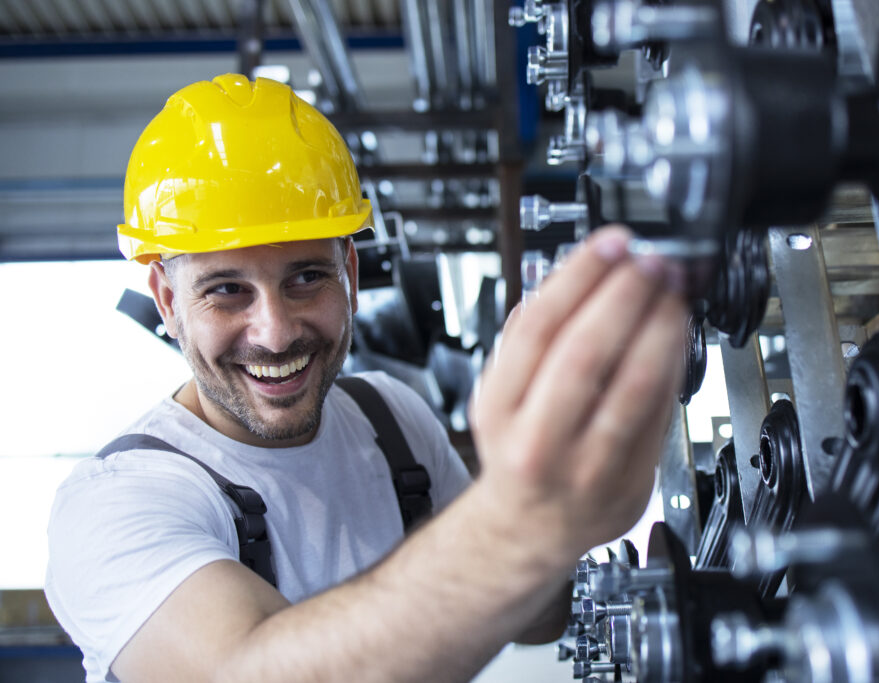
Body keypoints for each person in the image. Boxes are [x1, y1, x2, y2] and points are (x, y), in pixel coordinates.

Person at [44, 74, 689, 683]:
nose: (274, 332)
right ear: (166, 300)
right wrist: (523, 520)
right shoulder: (114, 506)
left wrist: (571, 503)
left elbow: (522, 609)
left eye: (306, 277)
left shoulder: (392, 423)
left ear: (350, 273)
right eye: (226, 291)